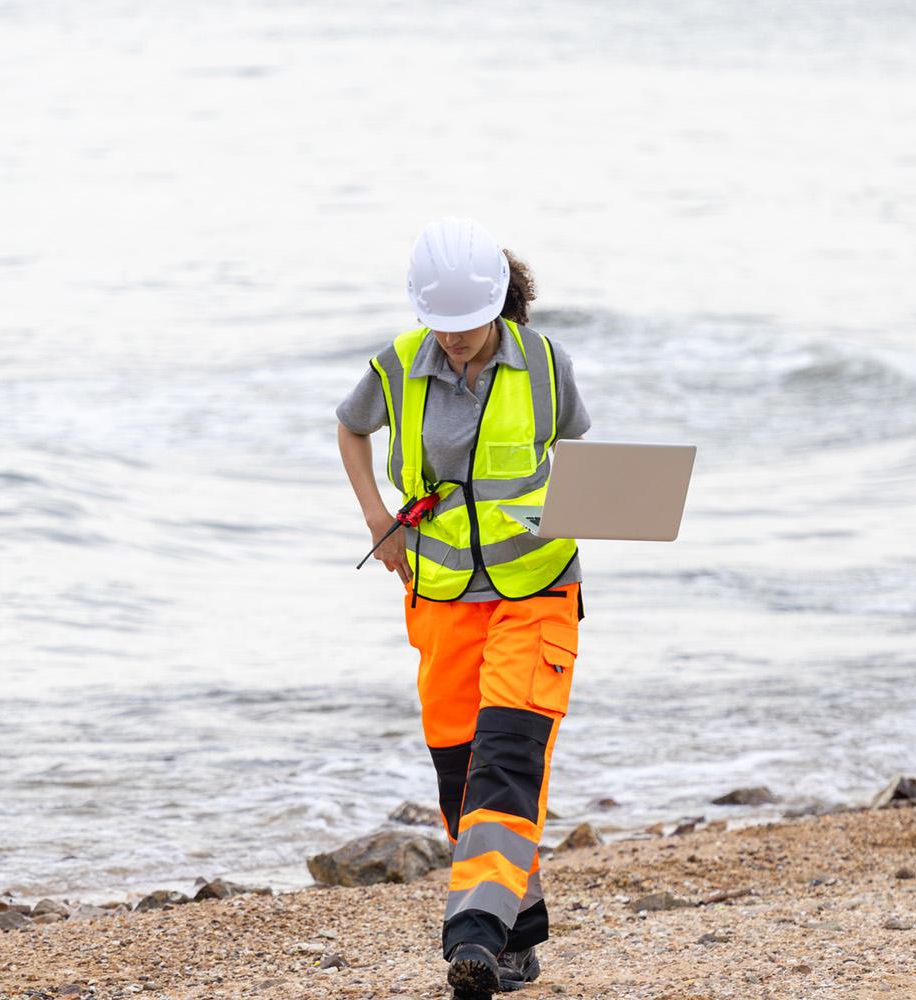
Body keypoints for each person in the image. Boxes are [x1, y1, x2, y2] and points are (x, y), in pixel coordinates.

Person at [334, 218, 591, 999]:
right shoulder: (397, 367)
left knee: (509, 762)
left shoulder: (547, 364)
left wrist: (600, 509)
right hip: (442, 599)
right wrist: (377, 521)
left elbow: (579, 459)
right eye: (437, 323)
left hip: (537, 590)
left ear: (497, 304)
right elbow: (350, 428)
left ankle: (474, 932)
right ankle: (517, 938)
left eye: (466, 324)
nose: (451, 339)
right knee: (462, 777)